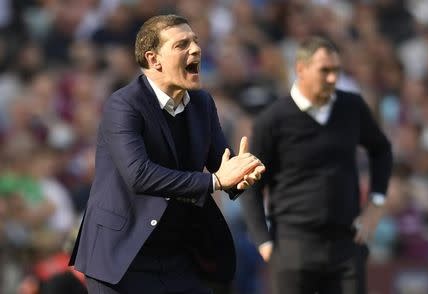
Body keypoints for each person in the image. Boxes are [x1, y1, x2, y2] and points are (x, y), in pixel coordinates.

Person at [69, 14, 265, 294]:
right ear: (153, 59)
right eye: (182, 44)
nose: (196, 49)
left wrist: (242, 174)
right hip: (121, 257)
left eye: (196, 42)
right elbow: (139, 175)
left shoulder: (202, 102)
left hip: (179, 254)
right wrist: (216, 181)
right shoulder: (123, 104)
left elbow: (222, 163)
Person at [240, 36, 393, 294]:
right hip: (292, 244)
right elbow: (251, 184)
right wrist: (263, 241)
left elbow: (382, 149)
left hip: (345, 241)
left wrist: (376, 205)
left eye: (336, 71)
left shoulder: (351, 107)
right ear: (301, 69)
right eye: (325, 70)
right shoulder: (273, 119)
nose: (332, 78)